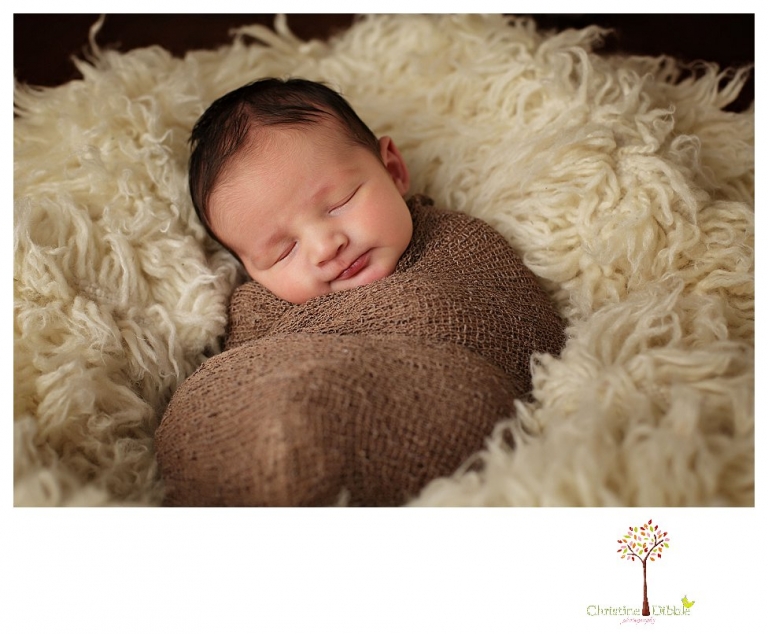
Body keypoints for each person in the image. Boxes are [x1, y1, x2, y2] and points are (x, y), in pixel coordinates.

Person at [189, 77, 414, 304]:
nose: (324, 249)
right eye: (284, 252)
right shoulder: (261, 316)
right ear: (250, 273)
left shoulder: (448, 241)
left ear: (393, 171)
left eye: (341, 203)